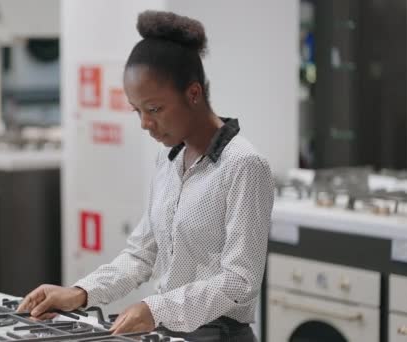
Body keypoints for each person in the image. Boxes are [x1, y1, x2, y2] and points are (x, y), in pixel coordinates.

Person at [17, 10, 274, 342]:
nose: (144, 124)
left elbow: (241, 280)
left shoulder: (243, 164)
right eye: (137, 111)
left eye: (154, 109)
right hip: (168, 333)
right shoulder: (169, 160)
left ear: (193, 94)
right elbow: (142, 253)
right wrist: (80, 293)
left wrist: (157, 309)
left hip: (220, 336)